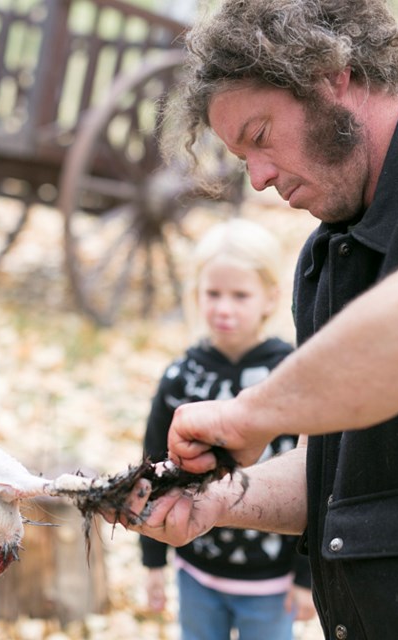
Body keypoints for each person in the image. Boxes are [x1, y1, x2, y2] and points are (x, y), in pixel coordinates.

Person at [112, 1, 398, 638]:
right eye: (240, 157)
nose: (256, 179)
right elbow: (332, 474)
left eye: (258, 136)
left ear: (330, 74)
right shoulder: (329, 255)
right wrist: (222, 499)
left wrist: (247, 414)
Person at [139, 219, 312, 640]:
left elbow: (314, 471)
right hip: (197, 570)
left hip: (270, 579)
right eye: (213, 294)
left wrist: (307, 577)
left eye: (240, 295)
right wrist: (152, 561)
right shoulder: (182, 377)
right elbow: (153, 465)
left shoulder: (290, 374)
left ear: (270, 297)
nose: (223, 307)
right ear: (196, 294)